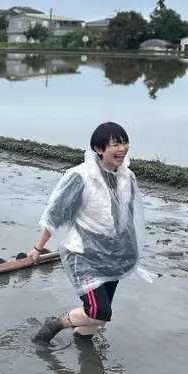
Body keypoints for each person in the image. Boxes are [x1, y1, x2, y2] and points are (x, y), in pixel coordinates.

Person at [27, 121, 147, 344]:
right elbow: (57, 215)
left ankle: (83, 345)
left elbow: (127, 216)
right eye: (115, 144)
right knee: (98, 310)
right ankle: (55, 324)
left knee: (100, 317)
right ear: (98, 149)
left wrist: (130, 251)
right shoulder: (81, 177)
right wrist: (38, 248)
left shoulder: (126, 176)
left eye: (125, 142)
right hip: (84, 255)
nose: (122, 149)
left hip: (113, 255)